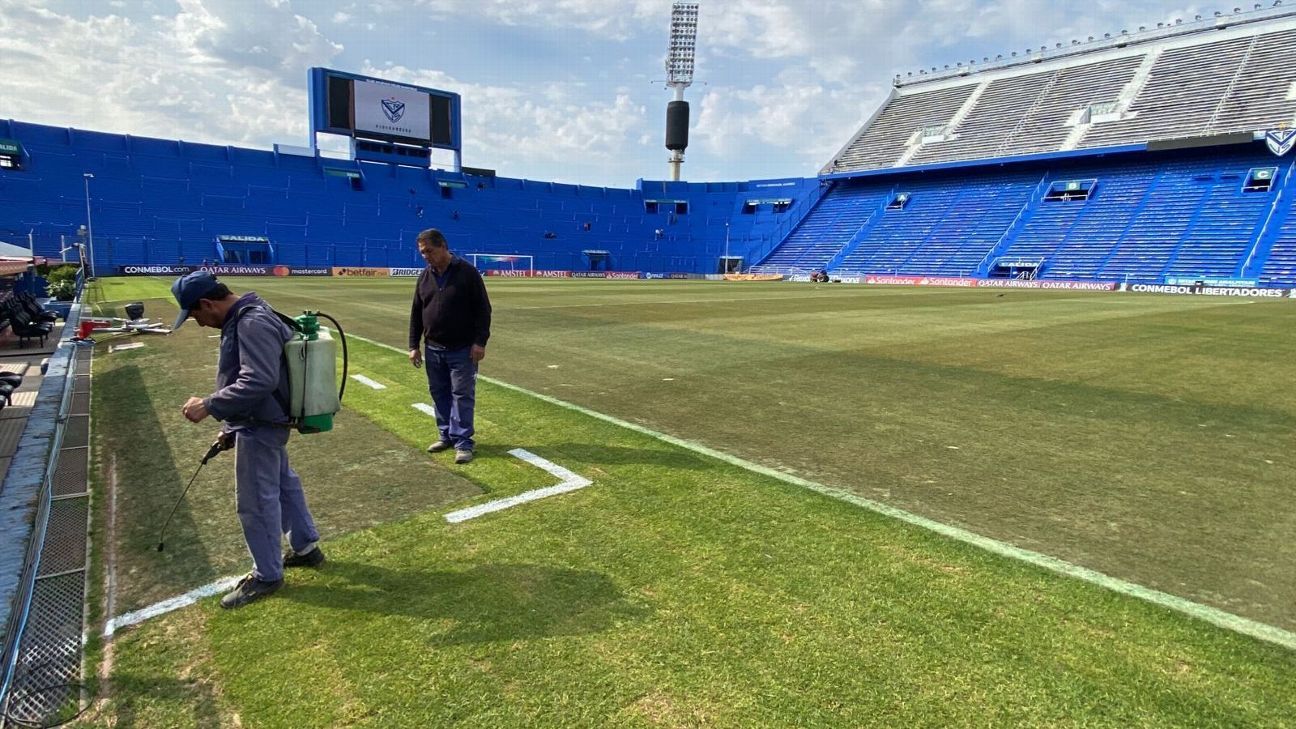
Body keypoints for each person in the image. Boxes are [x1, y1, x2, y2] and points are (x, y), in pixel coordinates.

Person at [172, 271, 324, 609]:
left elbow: (259, 380)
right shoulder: (252, 314)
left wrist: (210, 405)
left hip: (261, 423)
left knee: (257, 501)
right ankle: (306, 547)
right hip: (258, 420)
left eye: (195, 314)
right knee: (284, 486)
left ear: (207, 303)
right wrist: (231, 424)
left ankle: (268, 574)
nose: (197, 323)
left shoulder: (250, 322)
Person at [407, 229, 492, 464]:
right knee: (439, 393)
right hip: (433, 349)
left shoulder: (467, 273)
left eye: (429, 251)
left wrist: (479, 342)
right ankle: (445, 435)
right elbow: (416, 313)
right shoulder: (425, 277)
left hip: (462, 349)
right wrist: (413, 345)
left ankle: (464, 442)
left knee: (462, 395)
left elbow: (483, 310)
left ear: (443, 246)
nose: (426, 256)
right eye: (422, 253)